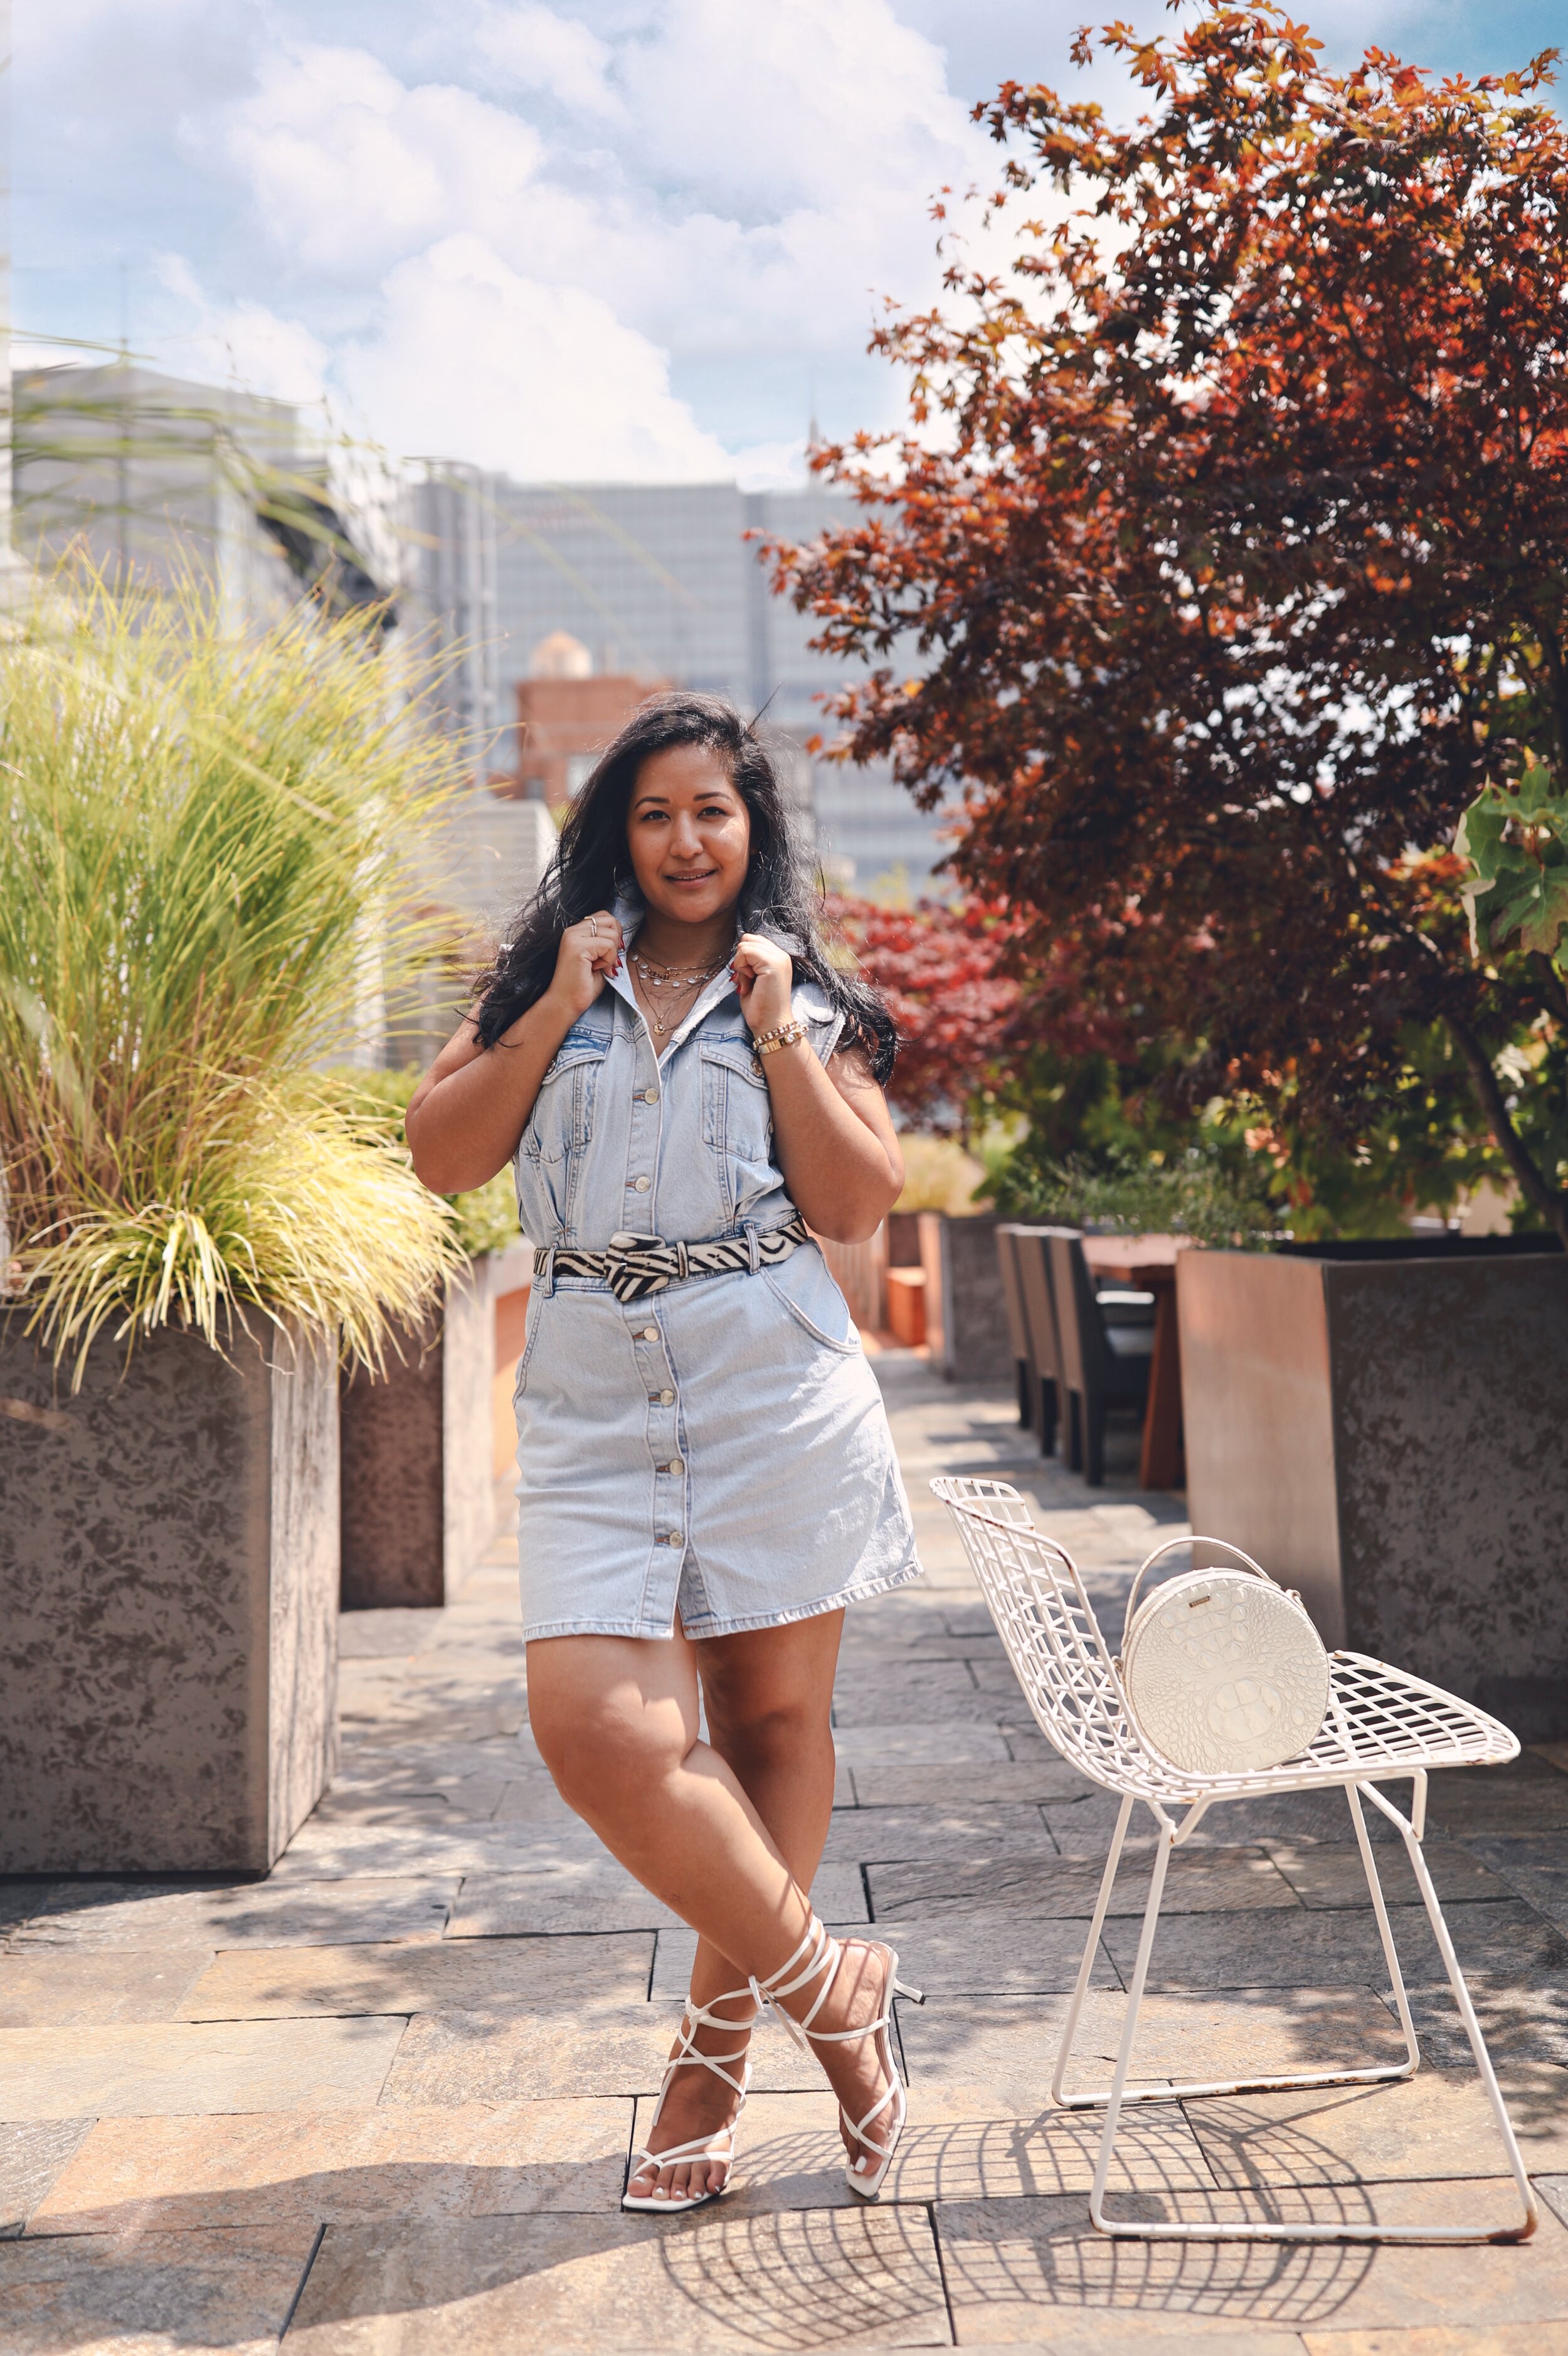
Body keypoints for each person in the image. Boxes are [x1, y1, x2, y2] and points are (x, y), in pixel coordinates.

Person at [406, 691, 923, 2214]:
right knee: (603, 1733)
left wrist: (771, 1031)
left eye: (713, 809)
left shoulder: (807, 998)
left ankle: (708, 2060)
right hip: (589, 1391)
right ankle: (839, 1995)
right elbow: (441, 1158)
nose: (685, 837)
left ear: (751, 828)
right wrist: (559, 1006)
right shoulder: (535, 979)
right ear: (613, 832)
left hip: (770, 1385)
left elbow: (855, 1204)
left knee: (768, 1732)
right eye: (654, 810)